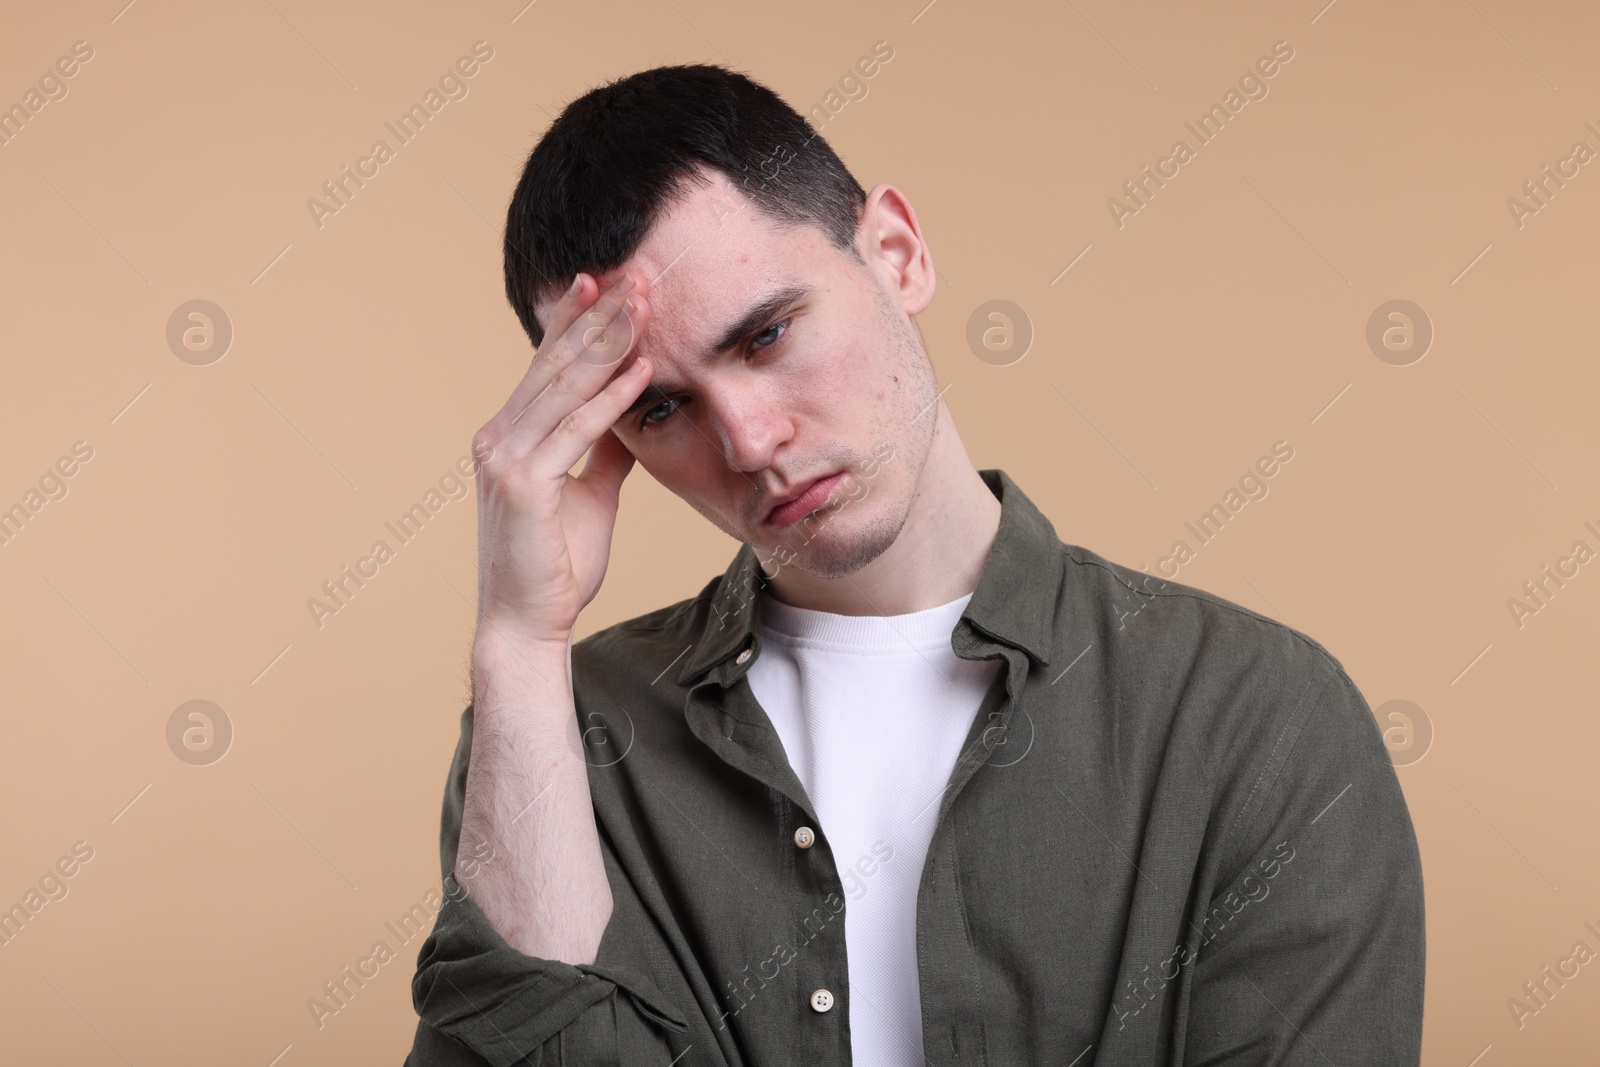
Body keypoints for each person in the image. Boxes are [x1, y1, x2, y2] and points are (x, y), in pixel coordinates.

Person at [405, 63, 1424, 1066]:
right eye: (659, 408)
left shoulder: (1255, 713)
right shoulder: (562, 732)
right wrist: (517, 642)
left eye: (765, 335)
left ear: (895, 252)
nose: (751, 441)